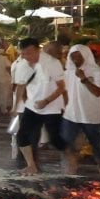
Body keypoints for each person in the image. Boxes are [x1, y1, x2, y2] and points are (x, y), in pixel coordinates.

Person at [13, 37, 68, 174]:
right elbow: (20, 85)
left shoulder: (52, 63)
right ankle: (31, 165)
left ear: (38, 50)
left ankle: (70, 154)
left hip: (52, 107)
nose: (27, 56)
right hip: (32, 106)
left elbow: (61, 87)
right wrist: (15, 105)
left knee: (55, 140)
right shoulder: (22, 64)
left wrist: (46, 101)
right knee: (22, 136)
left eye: (30, 53)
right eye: (24, 53)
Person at [60, 44, 100, 176]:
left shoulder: (99, 72)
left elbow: (98, 92)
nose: (75, 58)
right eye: (73, 55)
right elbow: (63, 92)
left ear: (86, 55)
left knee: (97, 145)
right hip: (71, 115)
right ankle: (70, 170)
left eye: (78, 55)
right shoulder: (66, 73)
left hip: (91, 116)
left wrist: (84, 79)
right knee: (66, 144)